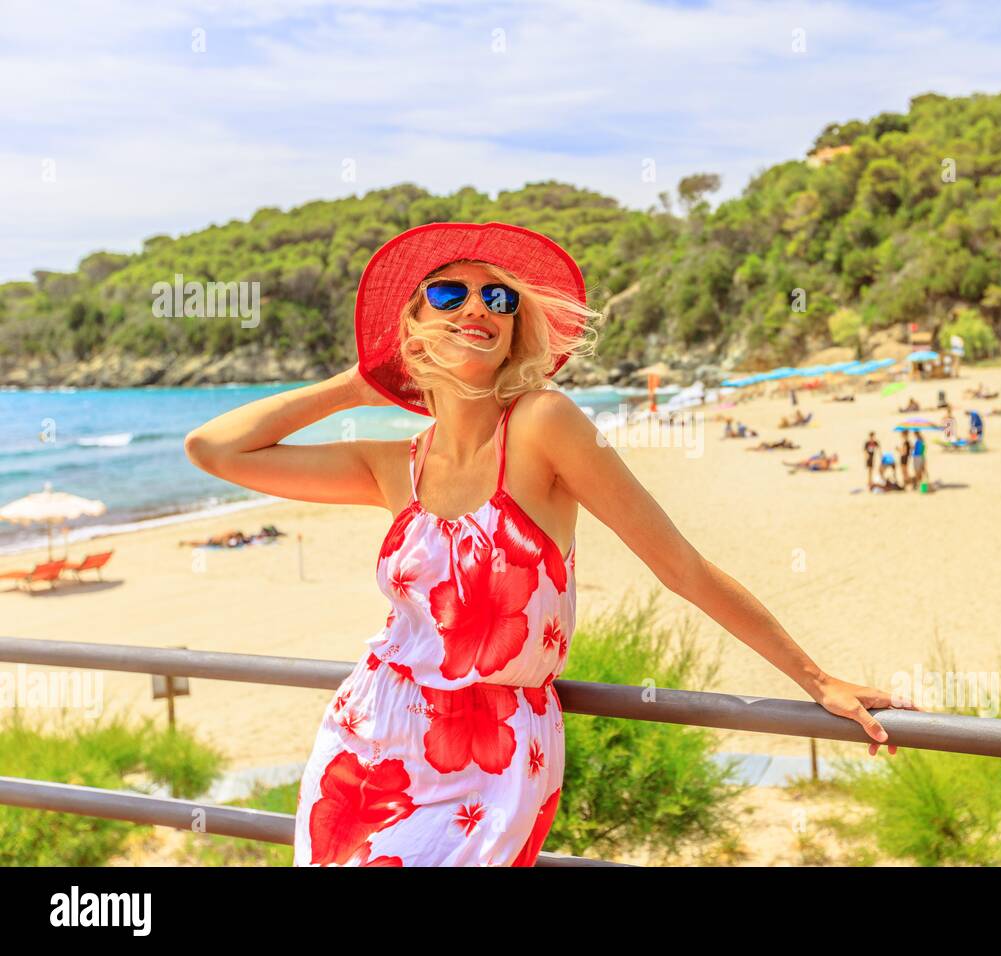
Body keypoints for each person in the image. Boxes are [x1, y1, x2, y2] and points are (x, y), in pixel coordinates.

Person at [183, 222, 918, 867]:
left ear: (515, 327)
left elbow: (680, 567)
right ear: (412, 326)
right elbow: (215, 450)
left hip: (492, 756)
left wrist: (816, 680)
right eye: (448, 295)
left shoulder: (544, 425)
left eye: (497, 299)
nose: (478, 308)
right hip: (369, 733)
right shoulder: (393, 465)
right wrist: (356, 383)